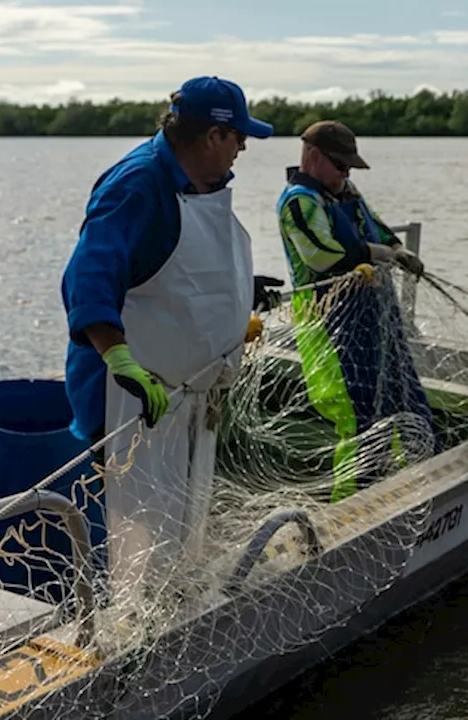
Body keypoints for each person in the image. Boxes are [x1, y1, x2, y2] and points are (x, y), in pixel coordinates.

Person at [60, 76, 279, 605]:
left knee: (177, 532)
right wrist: (119, 358)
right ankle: (126, 625)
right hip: (132, 400)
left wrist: (242, 290)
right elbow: (89, 275)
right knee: (135, 534)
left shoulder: (195, 182)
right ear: (210, 137)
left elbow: (168, 270)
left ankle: (170, 607)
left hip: (185, 401)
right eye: (238, 137)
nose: (244, 147)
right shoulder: (137, 184)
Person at [275, 120, 442, 503]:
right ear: (313, 156)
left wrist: (398, 249)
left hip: (375, 310)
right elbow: (320, 256)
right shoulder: (299, 201)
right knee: (356, 413)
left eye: (350, 167)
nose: (346, 174)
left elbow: (379, 230)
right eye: (340, 166)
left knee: (403, 392)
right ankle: (350, 505)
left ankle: (413, 481)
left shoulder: (346, 191)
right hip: (328, 318)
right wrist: (376, 254)